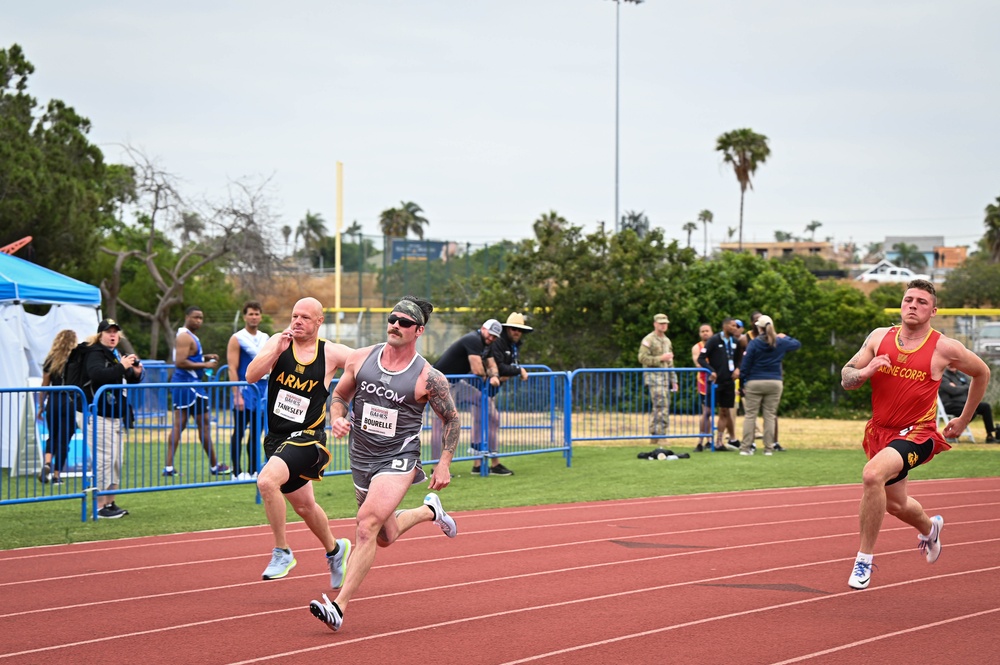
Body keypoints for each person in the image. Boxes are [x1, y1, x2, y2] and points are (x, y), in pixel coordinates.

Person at [308, 296, 460, 633]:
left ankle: (339, 607)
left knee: (365, 526)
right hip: (361, 457)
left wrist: (444, 463)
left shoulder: (428, 377)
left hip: (399, 457)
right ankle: (429, 512)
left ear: (418, 330)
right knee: (384, 536)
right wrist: (336, 417)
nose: (396, 325)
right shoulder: (362, 358)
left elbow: (451, 419)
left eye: (404, 322)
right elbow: (339, 395)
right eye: (393, 319)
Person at [840, 279, 990, 590]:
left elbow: (982, 372)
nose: (912, 305)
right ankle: (930, 528)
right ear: (901, 304)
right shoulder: (879, 337)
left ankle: (863, 559)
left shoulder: (944, 347)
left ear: (933, 311)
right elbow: (847, 377)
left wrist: (963, 419)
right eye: (909, 299)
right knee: (895, 503)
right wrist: (867, 372)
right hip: (880, 432)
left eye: (921, 302)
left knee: (871, 476)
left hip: (918, 433)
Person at [245, 297, 353, 583]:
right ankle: (335, 550)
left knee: (267, 482)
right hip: (277, 440)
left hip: (308, 439)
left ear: (319, 322)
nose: (297, 321)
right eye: (295, 315)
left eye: (305, 317)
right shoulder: (278, 343)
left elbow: (365, 363)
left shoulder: (330, 352)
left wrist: (344, 406)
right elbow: (250, 375)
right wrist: (275, 352)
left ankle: (282, 551)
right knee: (304, 506)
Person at [82, 319, 145, 518]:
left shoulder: (115, 354)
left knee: (117, 459)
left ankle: (110, 502)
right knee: (104, 460)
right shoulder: (94, 353)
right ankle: (99, 507)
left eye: (115, 332)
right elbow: (97, 375)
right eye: (108, 332)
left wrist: (135, 372)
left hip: (116, 415)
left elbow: (125, 380)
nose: (112, 336)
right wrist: (122, 366)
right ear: (99, 335)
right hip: (98, 414)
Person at [431, 319, 510, 475]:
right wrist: (492, 376)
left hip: (456, 383)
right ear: (482, 329)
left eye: (495, 337)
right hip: (439, 384)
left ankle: (477, 449)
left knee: (485, 402)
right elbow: (477, 369)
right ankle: (435, 468)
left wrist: (494, 374)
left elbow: (492, 365)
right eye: (490, 334)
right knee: (440, 426)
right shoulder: (473, 339)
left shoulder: (487, 345)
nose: (491, 338)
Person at [163, 306, 228, 477]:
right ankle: (213, 466)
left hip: (190, 385)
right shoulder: (184, 336)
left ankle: (170, 467)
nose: (199, 321)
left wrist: (204, 357)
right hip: (188, 386)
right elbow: (180, 362)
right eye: (195, 317)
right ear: (187, 317)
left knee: (188, 424)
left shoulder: (188, 336)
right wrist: (205, 365)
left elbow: (189, 356)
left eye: (201, 318)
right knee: (187, 425)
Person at [739, 315, 800, 456]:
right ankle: (768, 448)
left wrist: (742, 383)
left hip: (755, 382)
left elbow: (746, 364)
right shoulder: (780, 341)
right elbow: (797, 344)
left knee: (750, 416)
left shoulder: (754, 343)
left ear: (759, 328)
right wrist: (785, 337)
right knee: (770, 416)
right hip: (775, 382)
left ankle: (746, 448)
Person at [227, 300, 270, 479]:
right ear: (245, 316)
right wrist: (236, 395)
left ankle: (253, 470)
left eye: (257, 314)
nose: (254, 317)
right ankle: (236, 472)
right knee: (239, 432)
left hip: (262, 391)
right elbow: (232, 367)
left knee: (256, 433)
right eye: (250, 314)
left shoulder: (265, 337)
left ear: (260, 316)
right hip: (245, 391)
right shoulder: (237, 338)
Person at [37, 330, 80, 485]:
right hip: (70, 399)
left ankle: (47, 463)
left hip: (53, 399)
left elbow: (45, 385)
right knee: (64, 439)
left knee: (53, 435)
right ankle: (56, 476)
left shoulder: (50, 359)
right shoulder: (76, 359)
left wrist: (42, 405)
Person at [698, 317, 743, 451]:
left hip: (729, 382)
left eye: (736, 326)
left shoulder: (735, 342)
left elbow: (739, 359)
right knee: (708, 411)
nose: (735, 328)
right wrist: (711, 371)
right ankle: (701, 441)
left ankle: (719, 442)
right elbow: (701, 359)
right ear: (725, 327)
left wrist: (738, 369)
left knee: (724, 411)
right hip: (715, 382)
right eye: (733, 326)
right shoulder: (714, 340)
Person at [638, 313, 679, 448]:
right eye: (661, 323)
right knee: (661, 405)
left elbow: (670, 362)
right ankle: (660, 435)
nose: (663, 325)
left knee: (661, 406)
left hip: (665, 377)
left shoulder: (667, 341)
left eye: (665, 323)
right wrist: (660, 358)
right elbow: (642, 358)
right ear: (655, 324)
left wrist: (674, 379)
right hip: (654, 377)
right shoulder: (648, 339)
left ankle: (655, 435)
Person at [939, 366, 998, 443]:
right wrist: (964, 387)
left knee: (985, 407)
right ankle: (952, 434)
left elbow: (972, 387)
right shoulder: (943, 376)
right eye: (949, 363)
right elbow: (953, 391)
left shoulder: (961, 375)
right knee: (970, 413)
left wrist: (958, 387)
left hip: (964, 403)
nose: (951, 365)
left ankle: (990, 436)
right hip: (951, 404)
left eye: (953, 363)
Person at [691, 323, 713, 452]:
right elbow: (699, 364)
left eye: (707, 331)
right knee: (706, 412)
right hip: (704, 382)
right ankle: (701, 440)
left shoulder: (715, 345)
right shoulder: (696, 347)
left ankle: (709, 440)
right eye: (702, 331)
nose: (705, 333)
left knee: (711, 412)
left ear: (711, 332)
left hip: (715, 381)